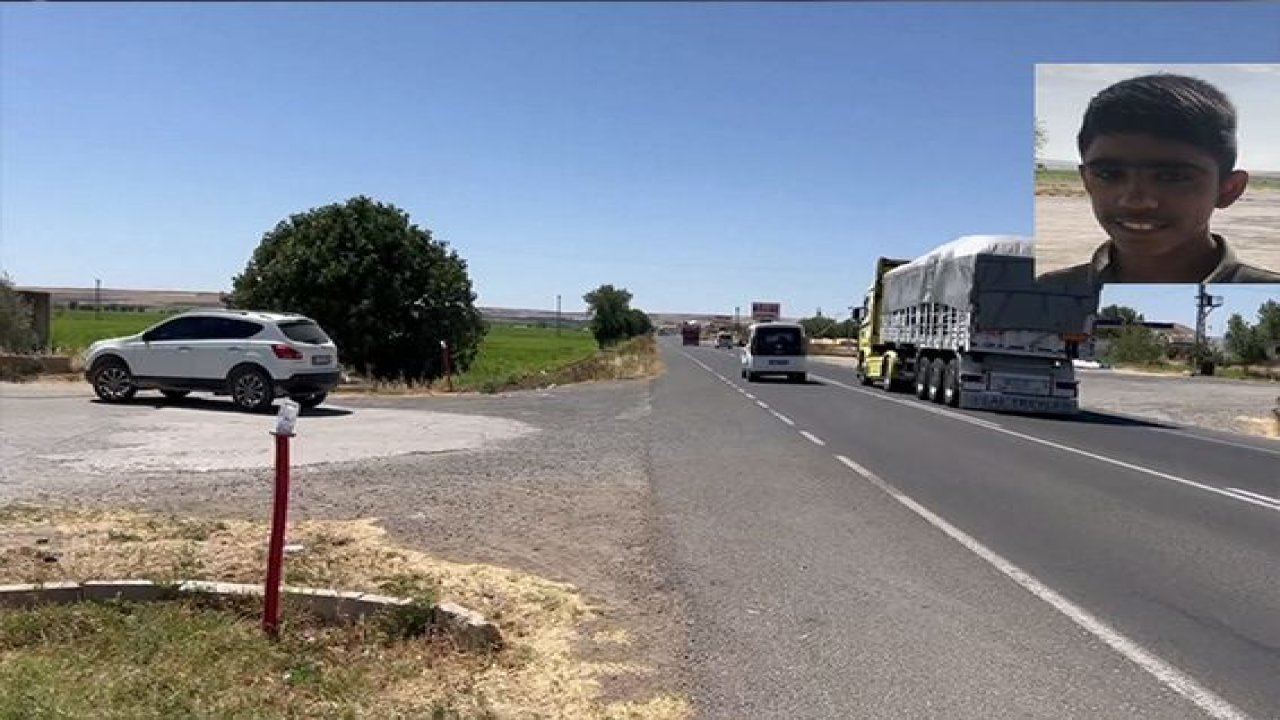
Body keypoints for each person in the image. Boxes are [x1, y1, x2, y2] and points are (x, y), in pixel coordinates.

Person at [1039, 72, 1280, 286]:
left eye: (1172, 177)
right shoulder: (1048, 291)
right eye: (1108, 174)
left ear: (1228, 189)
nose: (1136, 202)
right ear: (1087, 181)